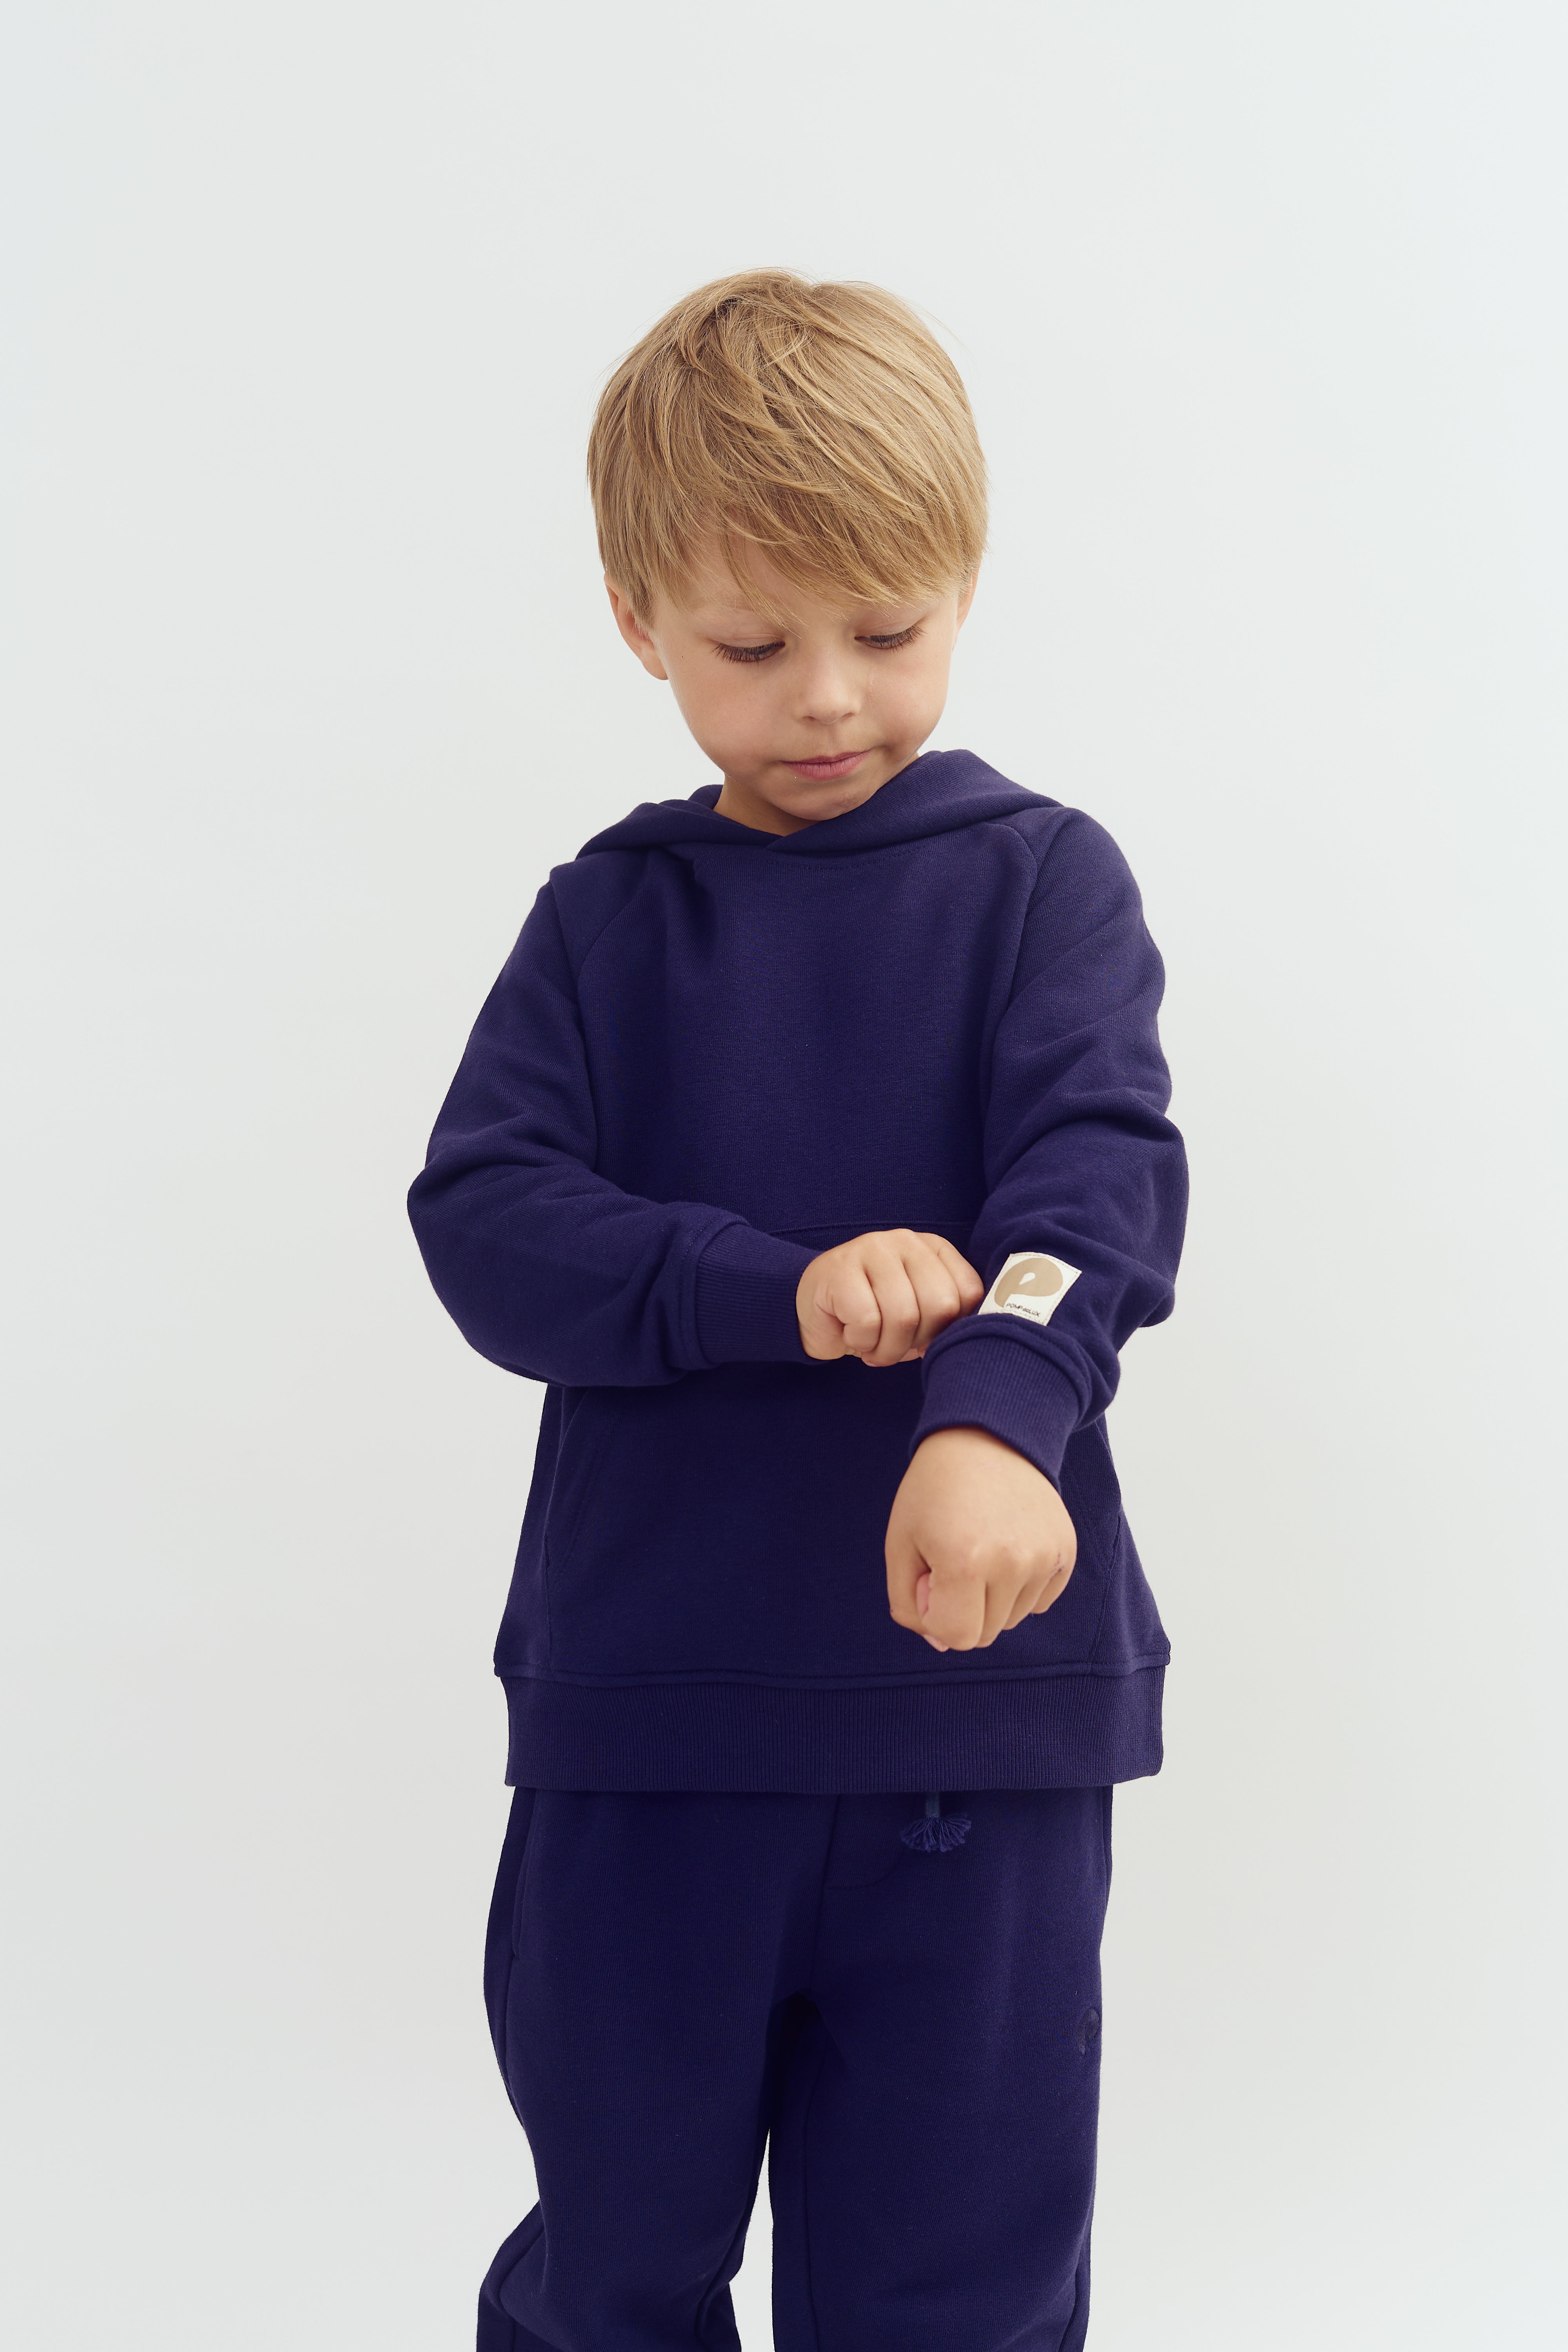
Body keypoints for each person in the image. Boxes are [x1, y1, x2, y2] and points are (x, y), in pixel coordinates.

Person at [408, 268, 1187, 2352]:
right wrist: (782, 1290)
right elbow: (487, 1220)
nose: (828, 695)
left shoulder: (1045, 886)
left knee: (960, 2295)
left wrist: (994, 1406)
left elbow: (1097, 1181)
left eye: (889, 630)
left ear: (963, 583)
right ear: (637, 620)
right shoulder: (605, 925)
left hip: (979, 1742)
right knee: (616, 2275)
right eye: (755, 645)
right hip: (651, 1742)